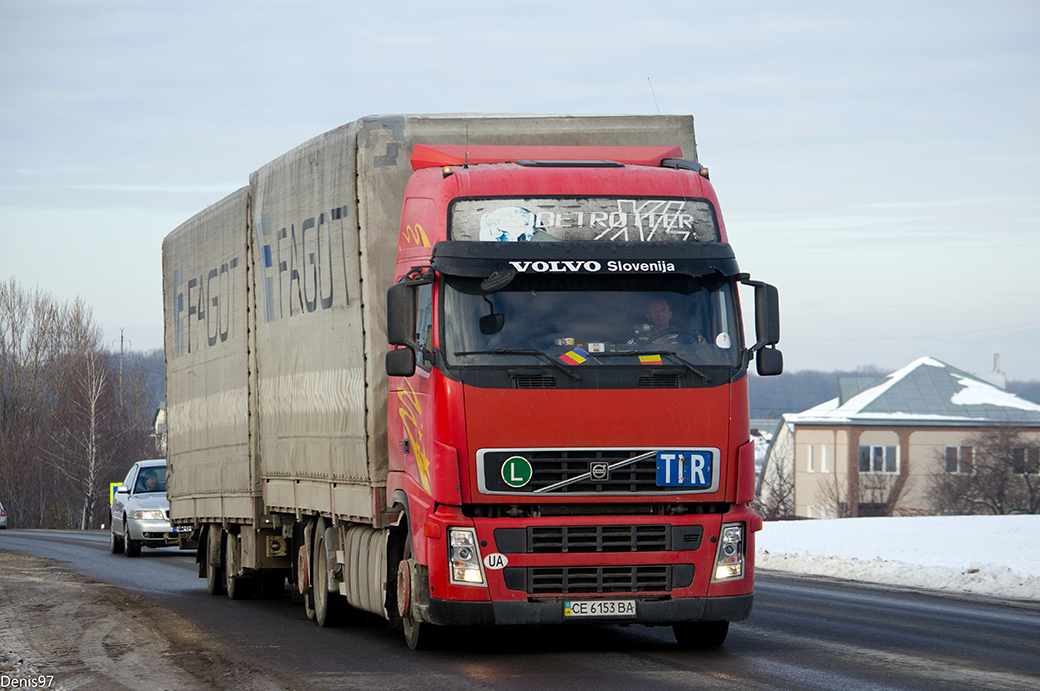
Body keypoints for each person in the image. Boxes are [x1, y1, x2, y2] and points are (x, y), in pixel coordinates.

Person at [635, 299, 704, 345]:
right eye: (655, 311)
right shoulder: (640, 340)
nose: (660, 313)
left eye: (663, 309)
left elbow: (697, 355)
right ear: (649, 317)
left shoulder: (684, 339)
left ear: (670, 315)